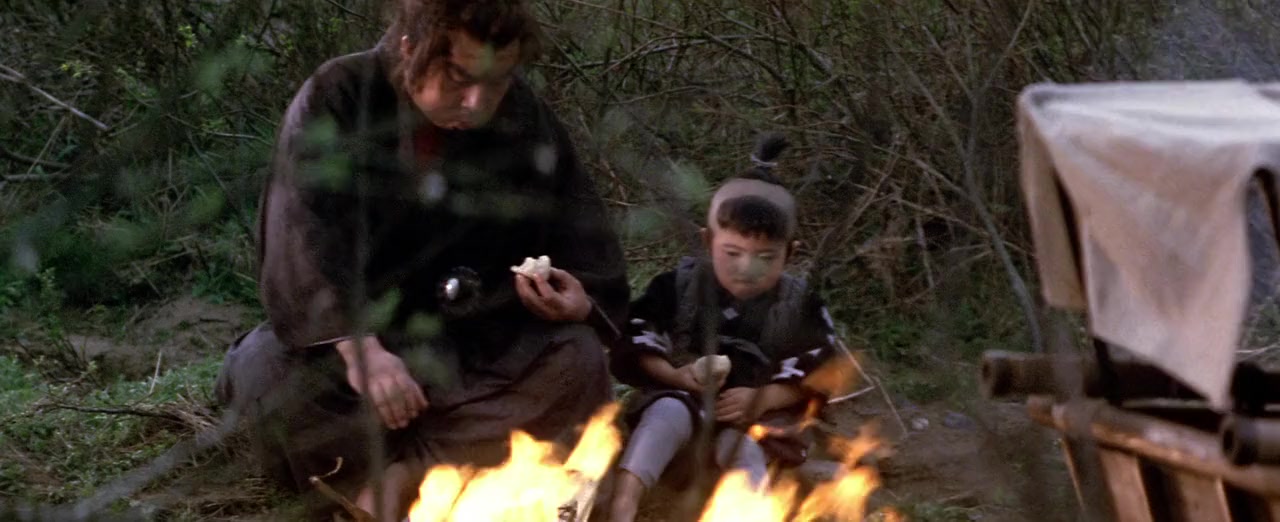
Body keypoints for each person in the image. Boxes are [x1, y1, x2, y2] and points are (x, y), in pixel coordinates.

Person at [211, 1, 630, 520]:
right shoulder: (339, 95)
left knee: (575, 359)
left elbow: (578, 231)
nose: (477, 102)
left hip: (475, 347)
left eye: (497, 82)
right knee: (266, 374)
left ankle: (411, 473)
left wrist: (576, 296)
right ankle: (389, 475)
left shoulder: (523, 116)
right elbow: (301, 233)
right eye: (459, 78)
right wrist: (360, 348)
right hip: (356, 348)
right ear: (412, 49)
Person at [606, 133, 846, 522]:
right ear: (708, 241)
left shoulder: (799, 305)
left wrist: (765, 398)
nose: (746, 269)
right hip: (681, 415)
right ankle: (623, 503)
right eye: (732, 253)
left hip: (754, 425)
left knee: (747, 449)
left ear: (790, 253)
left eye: (765, 258)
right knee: (665, 413)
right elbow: (635, 337)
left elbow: (823, 367)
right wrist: (676, 375)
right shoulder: (677, 287)